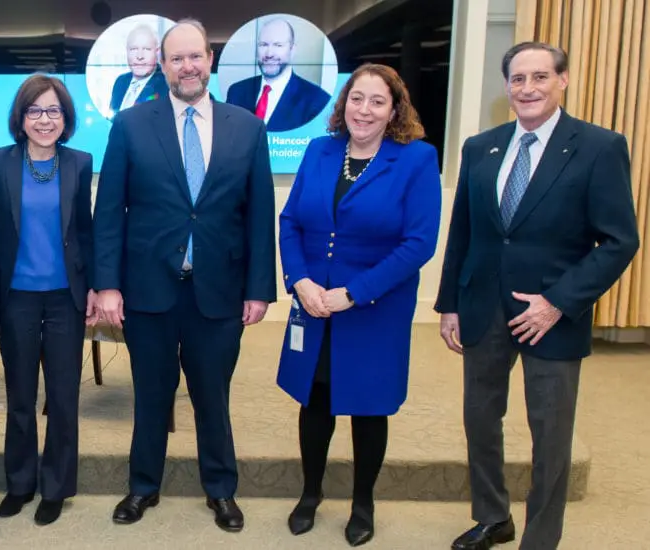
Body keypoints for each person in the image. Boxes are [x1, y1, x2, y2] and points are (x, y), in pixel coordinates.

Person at [435, 42, 639, 550]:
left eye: (540, 77)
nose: (527, 88)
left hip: (552, 316)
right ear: (507, 85)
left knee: (550, 435)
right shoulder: (481, 146)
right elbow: (463, 232)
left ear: (563, 81)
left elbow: (619, 240)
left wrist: (557, 302)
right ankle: (492, 518)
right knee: (480, 420)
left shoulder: (598, 146)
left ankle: (540, 539)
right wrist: (449, 304)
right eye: (518, 78)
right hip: (482, 309)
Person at [94, 18, 276, 532]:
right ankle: (142, 487)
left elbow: (259, 216)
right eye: (176, 59)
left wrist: (260, 288)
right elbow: (109, 211)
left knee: (212, 399)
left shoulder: (246, 126)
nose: (187, 67)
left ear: (210, 60)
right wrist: (107, 284)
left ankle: (221, 490)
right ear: (162, 65)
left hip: (219, 291)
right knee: (150, 394)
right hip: (148, 290)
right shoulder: (131, 125)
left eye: (195, 56)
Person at [275, 63, 441, 547]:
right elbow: (291, 223)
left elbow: (418, 243)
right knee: (316, 400)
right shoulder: (319, 151)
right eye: (356, 98)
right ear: (343, 103)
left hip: (373, 307)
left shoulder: (415, 159)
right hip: (314, 302)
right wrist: (300, 280)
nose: (363, 110)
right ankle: (310, 494)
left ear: (394, 111)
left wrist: (353, 292)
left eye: (376, 101)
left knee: (369, 409)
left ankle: (363, 503)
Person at [0, 74, 97, 526]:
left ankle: (56, 487)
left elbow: (86, 230)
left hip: (65, 297)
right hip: (15, 297)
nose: (45, 120)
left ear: (66, 118)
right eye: (35, 111)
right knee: (20, 395)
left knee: (64, 395)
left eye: (54, 111)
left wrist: (94, 285)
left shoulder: (80, 162)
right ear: (21, 116)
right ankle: (20, 482)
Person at [226, 17, 331, 132]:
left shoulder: (317, 100)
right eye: (263, 45)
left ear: (292, 50)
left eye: (278, 45)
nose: (269, 53)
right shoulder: (236, 91)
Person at [107, 24, 169, 117]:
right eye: (133, 49)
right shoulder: (120, 81)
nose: (140, 56)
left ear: (157, 52)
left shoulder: (168, 84)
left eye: (147, 49)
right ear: (127, 51)